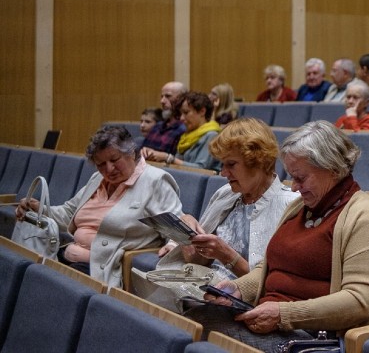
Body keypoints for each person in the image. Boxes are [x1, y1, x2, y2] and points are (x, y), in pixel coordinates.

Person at [187, 121, 369, 352]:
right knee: (193, 318)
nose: (294, 188)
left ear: (333, 170)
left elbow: (360, 301)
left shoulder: (367, 217)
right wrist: (238, 289)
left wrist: (282, 314)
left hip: (314, 338)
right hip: (272, 321)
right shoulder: (300, 208)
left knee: (198, 327)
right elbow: (268, 269)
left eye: (301, 178)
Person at [137, 118, 300, 309]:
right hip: (203, 287)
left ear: (259, 161)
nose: (223, 173)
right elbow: (195, 261)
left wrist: (225, 254)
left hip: (238, 302)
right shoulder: (226, 194)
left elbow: (269, 285)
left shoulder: (288, 206)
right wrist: (187, 232)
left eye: (231, 165)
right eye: (222, 165)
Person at [16, 125, 182, 287]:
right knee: (25, 270)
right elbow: (68, 213)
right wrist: (40, 209)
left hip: (101, 268)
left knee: (46, 284)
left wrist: (172, 245)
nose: (109, 169)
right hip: (66, 255)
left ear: (131, 153)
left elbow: (177, 226)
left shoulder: (155, 181)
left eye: (114, 160)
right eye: (101, 164)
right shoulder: (97, 179)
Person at [142, 91, 221, 171]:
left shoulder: (212, 135)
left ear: (202, 111)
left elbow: (201, 169)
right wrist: (152, 154)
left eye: (186, 112)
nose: (181, 118)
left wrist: (167, 158)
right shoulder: (187, 135)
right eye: (180, 114)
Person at [143, 81, 188, 154]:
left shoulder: (184, 128)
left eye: (168, 96)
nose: (162, 101)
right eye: (162, 96)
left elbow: (177, 160)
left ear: (182, 98)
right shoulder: (157, 126)